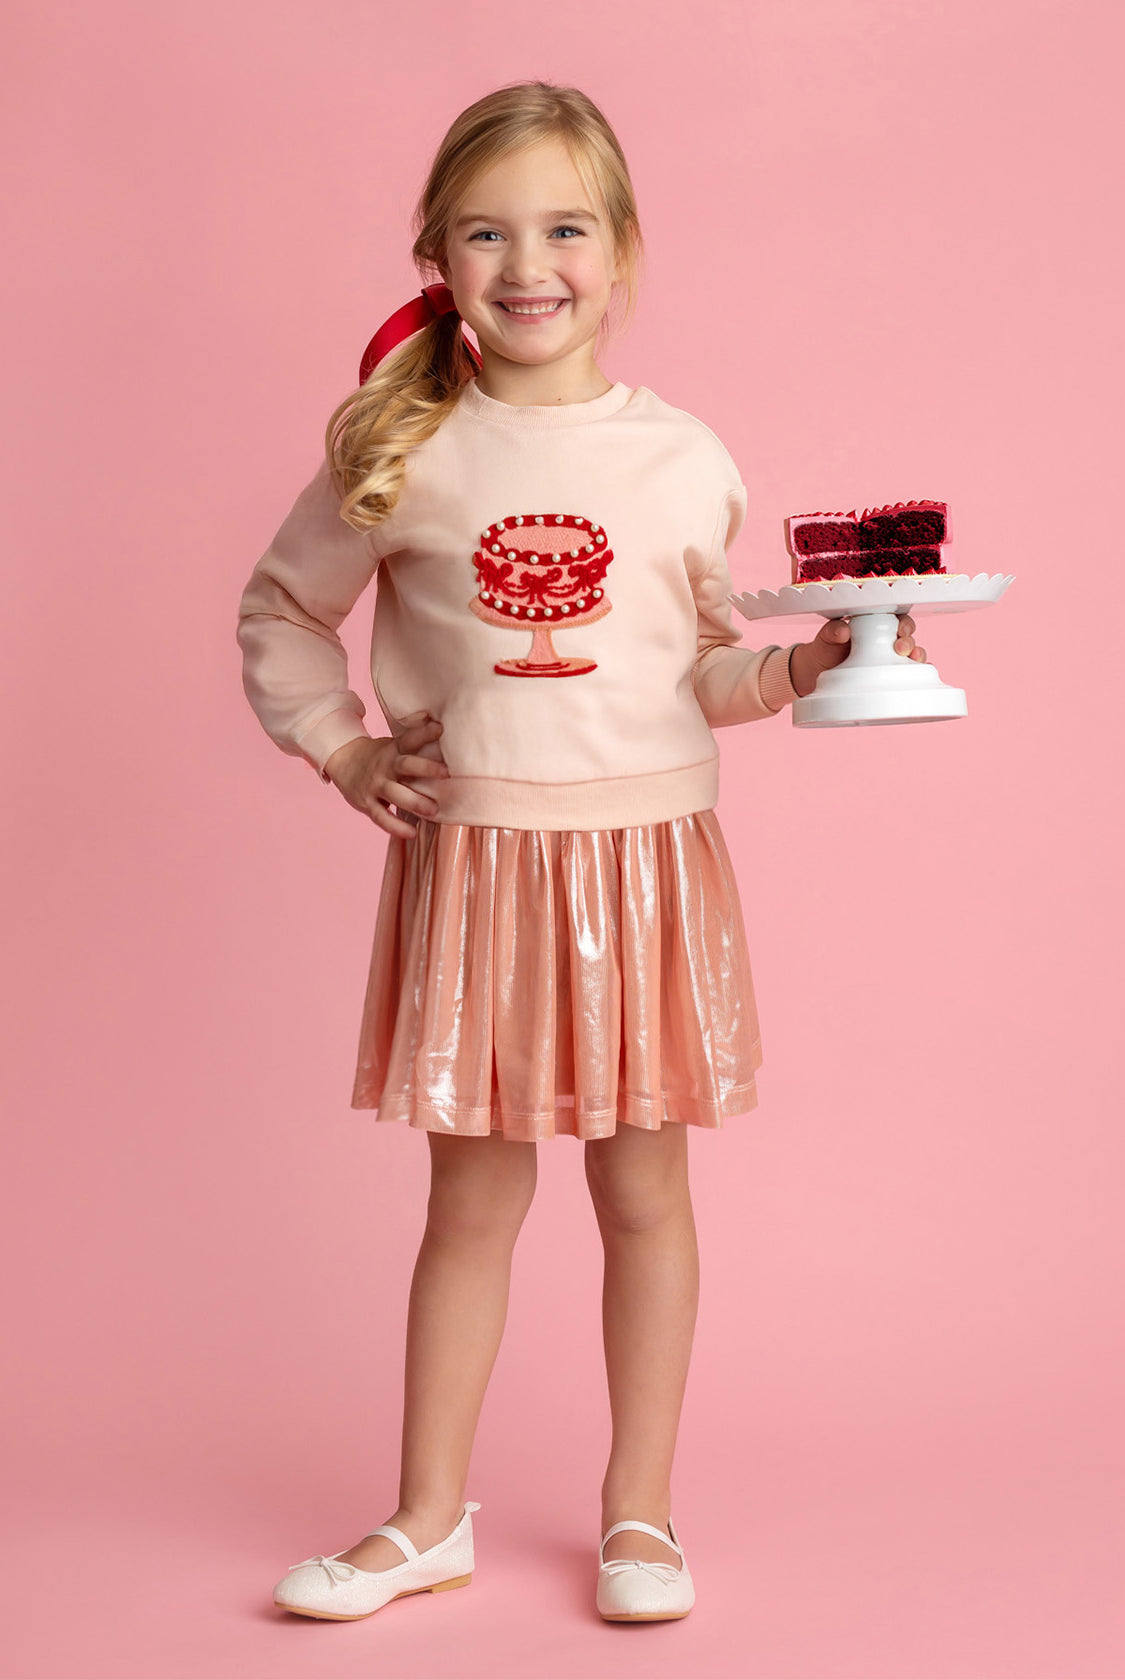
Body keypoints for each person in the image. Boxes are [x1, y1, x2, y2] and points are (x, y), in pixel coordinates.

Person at [236, 79, 927, 1627]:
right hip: (478, 872)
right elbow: (282, 609)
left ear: (619, 252)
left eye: (561, 228)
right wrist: (343, 748)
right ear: (437, 255)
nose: (525, 262)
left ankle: (640, 1518)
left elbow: (695, 676)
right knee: (469, 1205)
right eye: (485, 232)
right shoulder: (402, 449)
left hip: (642, 871)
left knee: (643, 1198)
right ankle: (427, 1517)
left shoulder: (682, 457)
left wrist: (815, 668)